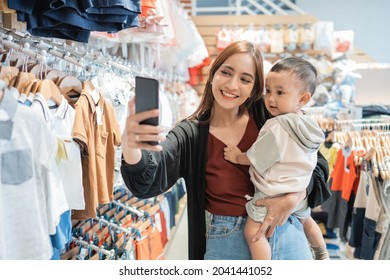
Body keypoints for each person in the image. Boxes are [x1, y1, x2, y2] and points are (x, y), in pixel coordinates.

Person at [120, 41, 329, 260]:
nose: (232, 85)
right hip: (228, 244)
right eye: (226, 72)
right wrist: (130, 144)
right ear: (213, 73)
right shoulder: (191, 135)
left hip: (288, 232)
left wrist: (294, 197)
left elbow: (317, 165)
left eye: (245, 79)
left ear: (254, 87)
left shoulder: (271, 115)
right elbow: (148, 177)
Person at [224, 57, 329, 260]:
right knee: (307, 220)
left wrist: (237, 156)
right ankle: (322, 253)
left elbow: (258, 157)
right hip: (299, 189)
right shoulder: (308, 124)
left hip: (273, 190)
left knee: (253, 232)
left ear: (303, 99)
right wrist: (297, 194)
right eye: (268, 91)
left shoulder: (277, 125)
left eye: (280, 93)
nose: (271, 99)